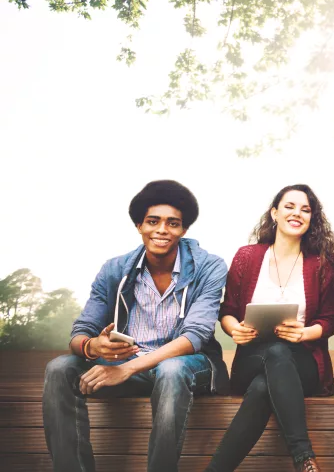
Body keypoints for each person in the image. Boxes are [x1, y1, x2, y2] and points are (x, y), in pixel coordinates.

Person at [42, 180, 230, 472]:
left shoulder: (210, 266)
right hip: (128, 363)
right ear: (139, 225)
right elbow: (81, 331)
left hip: (188, 366)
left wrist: (125, 369)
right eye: (153, 221)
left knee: (171, 369)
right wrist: (93, 347)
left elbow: (195, 336)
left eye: (173, 223)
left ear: (184, 230)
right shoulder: (115, 269)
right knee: (59, 369)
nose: (162, 230)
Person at [206, 185, 334, 472]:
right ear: (275, 213)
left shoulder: (322, 264)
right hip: (251, 361)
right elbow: (227, 311)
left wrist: (306, 332)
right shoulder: (248, 256)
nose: (297, 213)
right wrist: (234, 330)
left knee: (263, 385)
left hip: (303, 364)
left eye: (305, 209)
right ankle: (304, 457)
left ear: (312, 218)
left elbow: (330, 321)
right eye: (290, 206)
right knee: (269, 363)